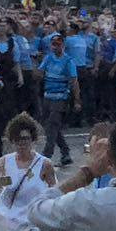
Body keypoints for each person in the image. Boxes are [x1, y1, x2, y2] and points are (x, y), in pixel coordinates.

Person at [36, 33, 80, 166]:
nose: (56, 47)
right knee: (52, 126)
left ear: (63, 45)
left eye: (59, 44)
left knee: (52, 124)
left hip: (61, 97)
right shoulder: (48, 58)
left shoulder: (68, 61)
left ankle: (47, 154)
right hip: (47, 96)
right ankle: (65, 151)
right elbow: (39, 72)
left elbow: (74, 81)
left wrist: (77, 100)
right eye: (54, 44)